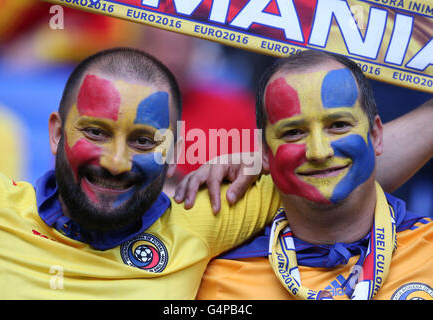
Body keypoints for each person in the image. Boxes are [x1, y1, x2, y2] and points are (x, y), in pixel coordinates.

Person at [0, 47, 283, 299]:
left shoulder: (204, 218)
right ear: (57, 134)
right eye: (96, 132)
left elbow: (318, 162)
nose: (116, 163)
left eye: (142, 141)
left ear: (173, 154)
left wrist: (264, 155)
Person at [178, 50, 432, 300]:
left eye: (338, 125)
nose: (319, 152)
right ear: (264, 152)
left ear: (376, 135)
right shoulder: (216, 282)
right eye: (293, 132)